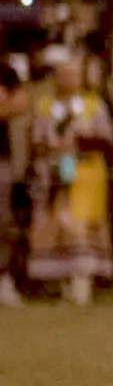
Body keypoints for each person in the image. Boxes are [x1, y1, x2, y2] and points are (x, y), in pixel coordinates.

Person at [23, 46, 113, 305]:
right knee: (55, 225)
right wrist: (52, 149)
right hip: (53, 174)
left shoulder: (92, 105)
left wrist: (79, 143)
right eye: (63, 74)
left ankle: (82, 283)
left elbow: (106, 139)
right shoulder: (46, 106)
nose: (68, 80)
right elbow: (36, 140)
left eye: (73, 74)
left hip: (86, 174)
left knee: (82, 227)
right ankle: (60, 282)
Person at [0, 65, 29, 307]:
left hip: (1, 161)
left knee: (4, 223)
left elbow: (20, 104)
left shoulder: (5, 70)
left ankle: (5, 279)